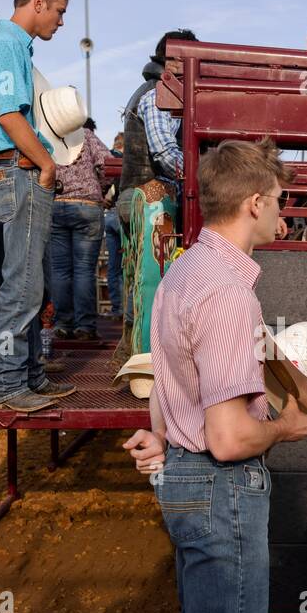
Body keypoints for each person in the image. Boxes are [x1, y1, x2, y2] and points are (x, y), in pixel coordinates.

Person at [121, 137, 307, 613]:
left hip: (185, 480)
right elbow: (232, 438)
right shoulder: (229, 294)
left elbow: (161, 372)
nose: (285, 218)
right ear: (255, 202)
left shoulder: (183, 269)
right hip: (222, 489)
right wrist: (286, 427)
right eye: (281, 205)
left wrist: (163, 433)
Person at [0, 0, 76, 412]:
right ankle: (7, 384)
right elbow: (9, 116)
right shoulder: (5, 44)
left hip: (18, 168)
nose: (61, 19)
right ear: (37, 2)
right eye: (58, 9)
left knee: (31, 280)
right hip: (19, 169)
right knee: (23, 283)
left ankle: (28, 374)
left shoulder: (10, 45)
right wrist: (47, 163)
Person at [113, 29, 199, 368]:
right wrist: (204, 177)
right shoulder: (157, 95)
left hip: (142, 196)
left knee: (141, 277)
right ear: (170, 59)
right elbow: (166, 153)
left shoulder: (158, 91)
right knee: (154, 276)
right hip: (148, 196)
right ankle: (149, 358)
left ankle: (135, 351)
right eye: (183, 57)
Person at [49, 117, 109, 340]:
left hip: (56, 204)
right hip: (87, 205)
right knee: (84, 270)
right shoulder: (86, 135)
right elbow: (106, 163)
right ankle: (85, 327)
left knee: (60, 270)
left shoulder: (50, 137)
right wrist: (101, 189)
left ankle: (63, 324)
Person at [102, 131, 125, 319]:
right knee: (128, 264)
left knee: (113, 267)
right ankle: (128, 310)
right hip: (123, 214)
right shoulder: (128, 160)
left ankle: (116, 308)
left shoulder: (108, 156)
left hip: (108, 216)